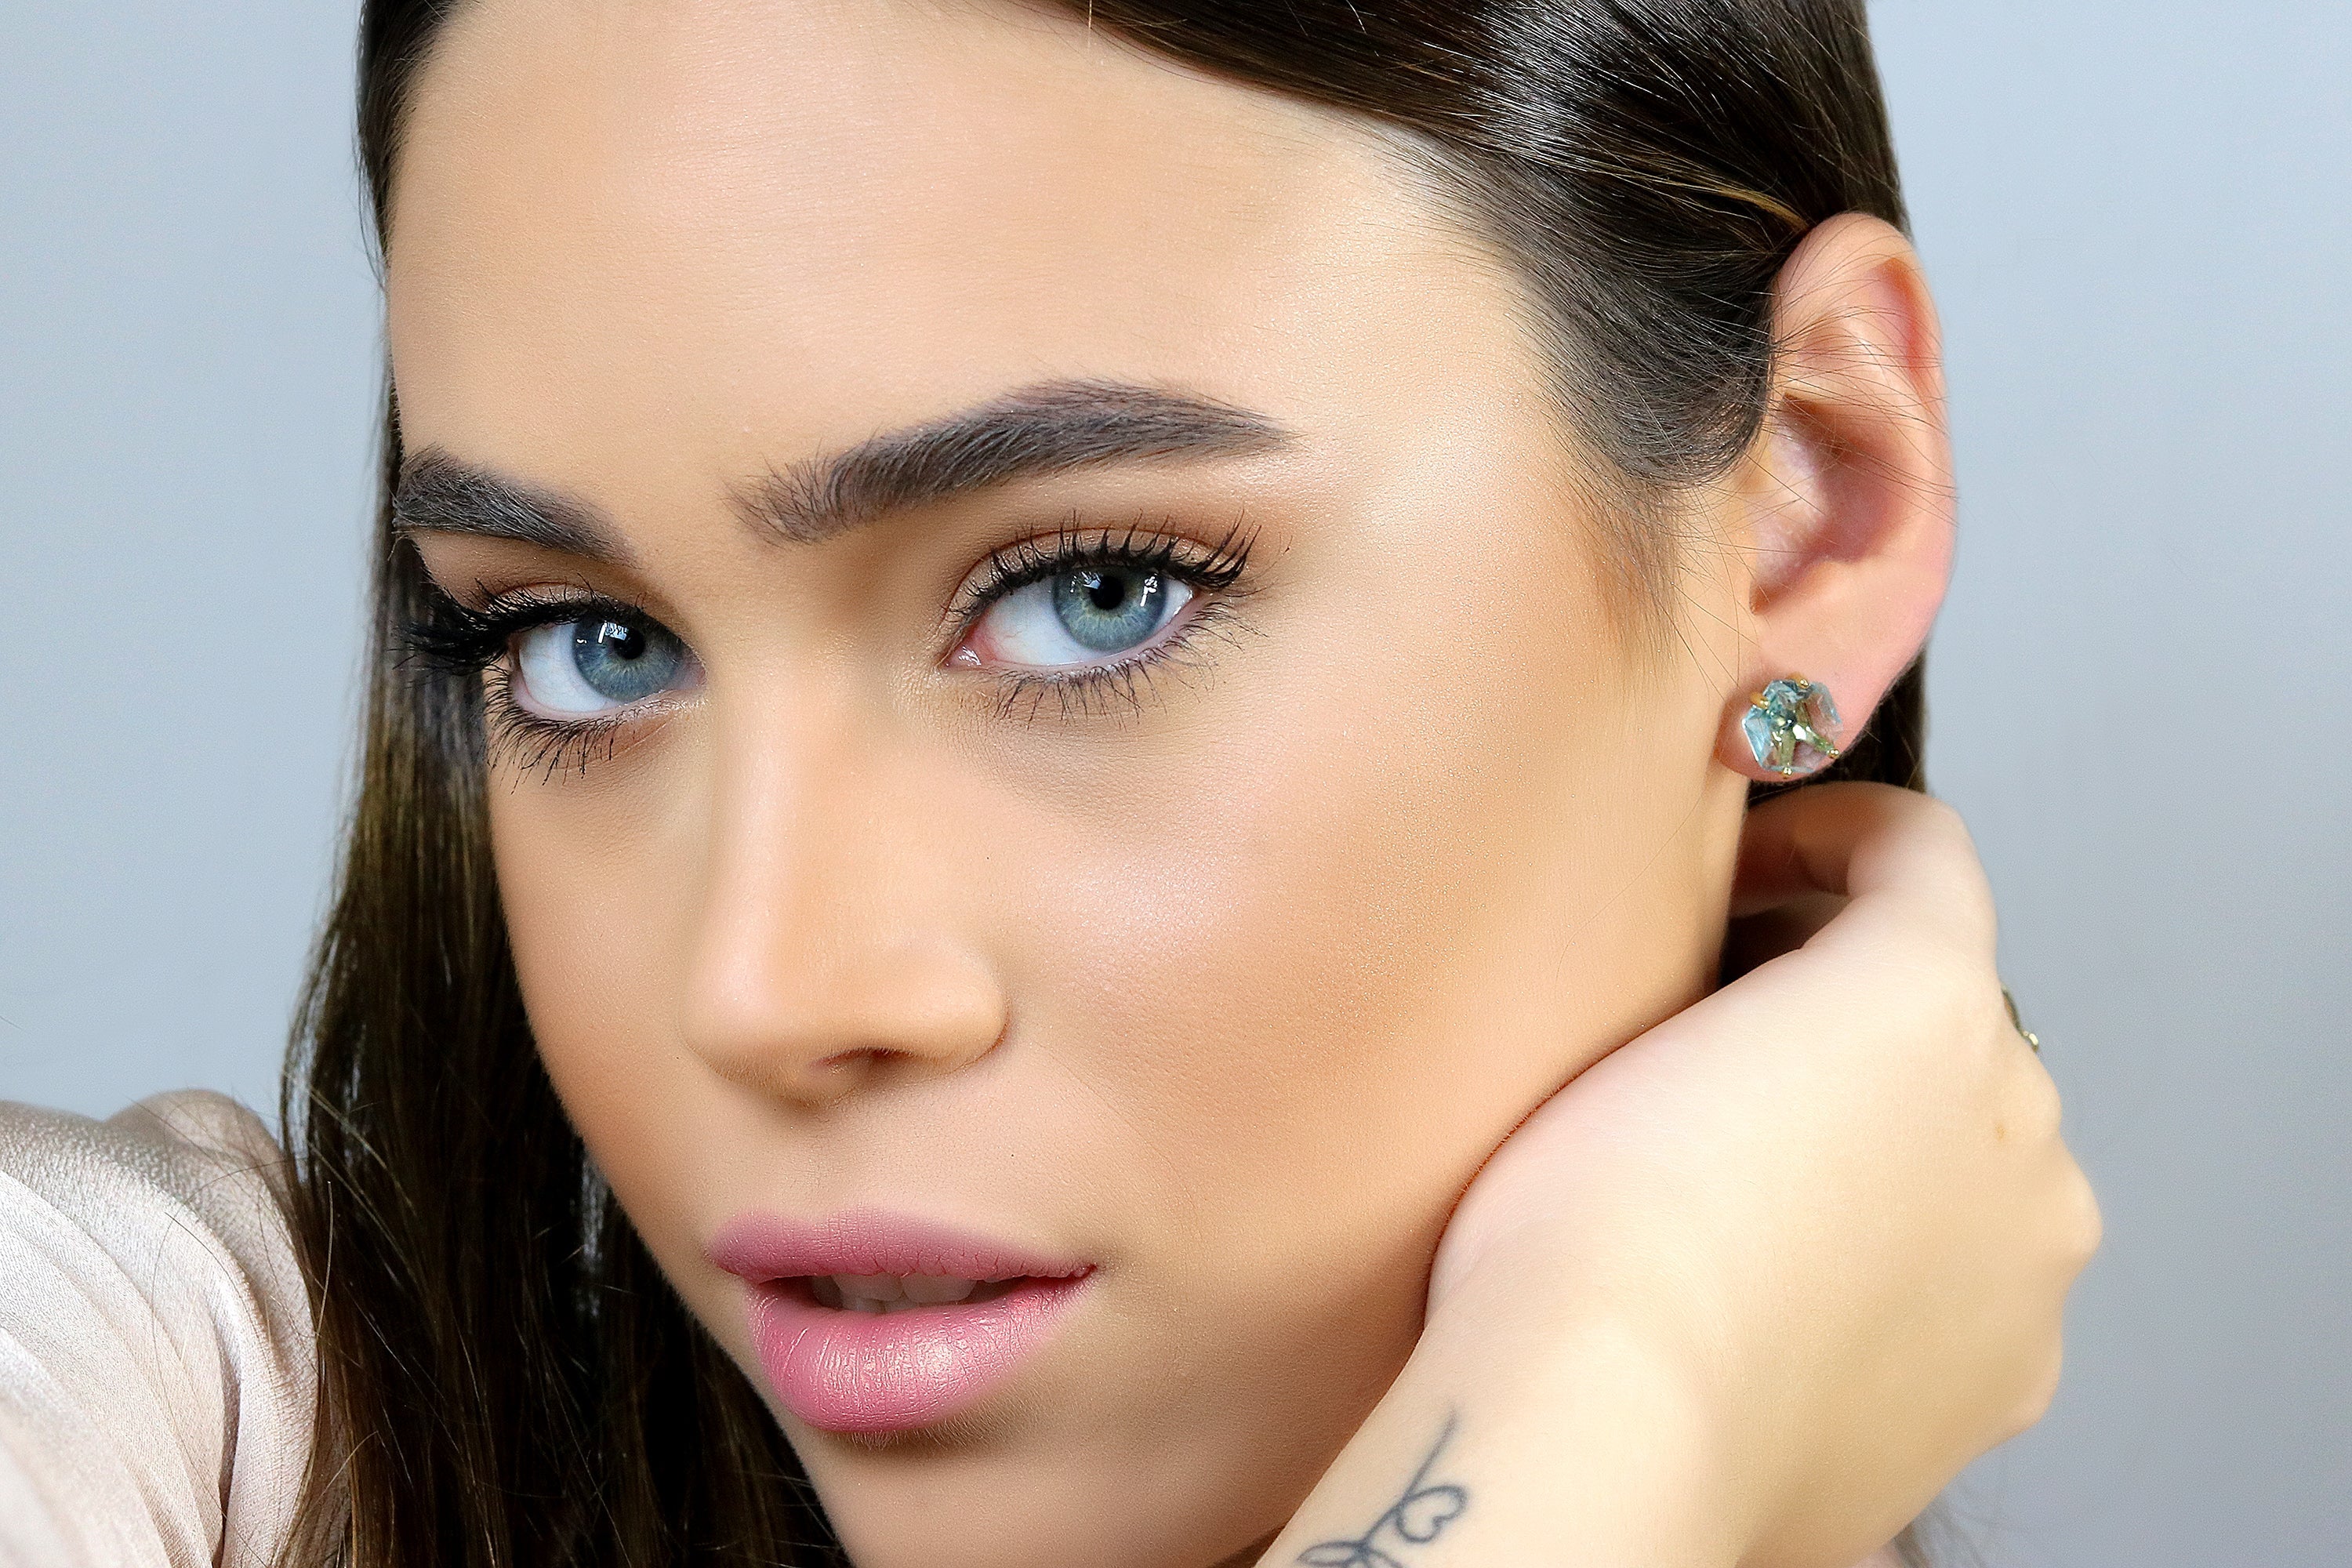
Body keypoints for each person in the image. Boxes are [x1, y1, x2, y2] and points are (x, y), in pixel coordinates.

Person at [0, 3, 2098, 1566]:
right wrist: (1629, 1378)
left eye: (1096, 596)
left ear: (1807, 510)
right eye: (585, 642)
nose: (762, 992)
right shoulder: (118, 1398)